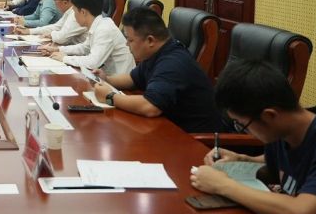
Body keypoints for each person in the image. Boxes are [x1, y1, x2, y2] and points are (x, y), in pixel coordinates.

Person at [190, 59, 316, 214]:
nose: (244, 131)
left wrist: (222, 185)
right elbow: (286, 164)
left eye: (241, 125)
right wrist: (242, 159)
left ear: (269, 115)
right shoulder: (284, 131)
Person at [89, 7, 222, 133]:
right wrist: (106, 79)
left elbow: (150, 107)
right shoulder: (158, 52)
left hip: (196, 140)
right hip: (169, 129)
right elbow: (132, 79)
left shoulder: (172, 63)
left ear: (150, 40)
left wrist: (110, 97)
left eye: (130, 40)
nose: (126, 44)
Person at [49, 0, 135, 75]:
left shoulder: (104, 29)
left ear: (83, 12)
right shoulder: (98, 24)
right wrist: (58, 49)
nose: (74, 16)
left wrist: (64, 58)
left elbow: (93, 62)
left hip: (119, 80)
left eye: (74, 12)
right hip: (106, 75)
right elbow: (84, 48)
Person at [23, 0, 87, 46]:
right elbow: (57, 27)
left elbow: (62, 38)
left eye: (55, 1)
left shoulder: (77, 14)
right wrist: (30, 31)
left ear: (65, 2)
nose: (54, 4)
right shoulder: (69, 11)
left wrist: (51, 34)